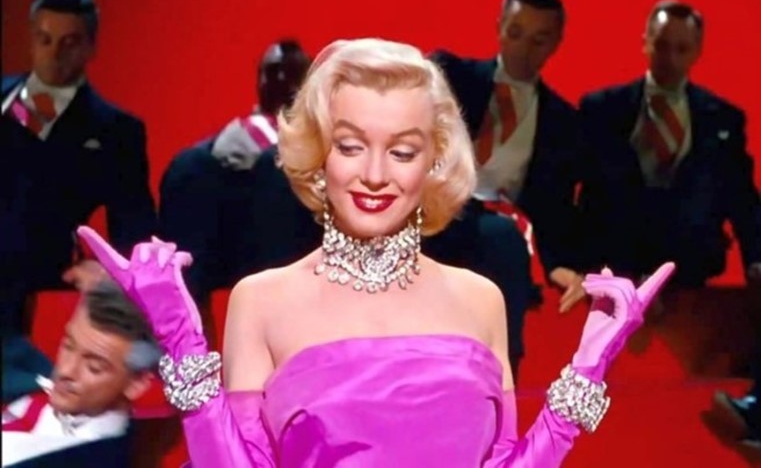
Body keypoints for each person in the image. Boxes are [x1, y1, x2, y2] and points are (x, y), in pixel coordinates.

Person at [77, 38, 674, 467]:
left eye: (403, 151)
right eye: (351, 145)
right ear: (320, 154)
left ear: (434, 162)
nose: (374, 174)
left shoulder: (481, 299)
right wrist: (182, 344)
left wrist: (586, 370)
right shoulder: (261, 301)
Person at [0, 0, 157, 334]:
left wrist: (112, 272)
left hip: (36, 298)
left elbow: (135, 227)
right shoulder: (6, 102)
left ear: (90, 46)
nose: (53, 53)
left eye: (69, 42)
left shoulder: (115, 131)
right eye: (44, 39)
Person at [578, 0, 761, 288]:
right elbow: (578, 189)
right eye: (662, 46)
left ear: (698, 51)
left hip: (692, 265)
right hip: (617, 262)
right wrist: (572, 263)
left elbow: (742, 197)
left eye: (682, 49)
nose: (670, 59)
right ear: (645, 43)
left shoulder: (723, 118)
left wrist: (756, 259)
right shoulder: (603, 108)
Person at [430, 0, 587, 315]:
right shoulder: (450, 76)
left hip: (499, 235)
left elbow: (553, 207)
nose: (522, 49)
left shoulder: (563, 122)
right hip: (432, 214)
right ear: (499, 27)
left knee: (502, 242)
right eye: (515, 33)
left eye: (538, 40)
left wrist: (559, 264)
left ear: (556, 43)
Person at [159, 40, 312, 306]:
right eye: (275, 74)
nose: (282, 81)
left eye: (289, 74)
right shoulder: (216, 154)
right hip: (248, 252)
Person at [2, 279, 161, 467]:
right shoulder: (29, 377)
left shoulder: (95, 458)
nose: (65, 370)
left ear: (137, 383)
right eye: (68, 346)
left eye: (94, 367)